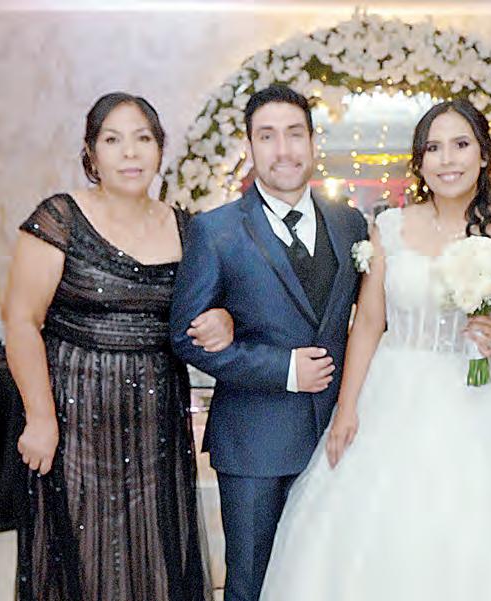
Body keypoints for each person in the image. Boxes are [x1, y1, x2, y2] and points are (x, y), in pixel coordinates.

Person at [258, 98, 491, 600]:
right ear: (419, 162)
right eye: (433, 148)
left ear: (483, 154)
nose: (447, 159)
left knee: (484, 530)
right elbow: (369, 322)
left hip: (487, 398)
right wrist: (347, 408)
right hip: (394, 394)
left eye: (460, 145)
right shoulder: (390, 228)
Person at [3, 92, 234, 601]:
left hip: (157, 427)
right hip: (72, 423)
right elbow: (21, 321)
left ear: (159, 149)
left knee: (154, 556)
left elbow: (210, 309)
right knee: (84, 560)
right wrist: (40, 418)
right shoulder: (60, 218)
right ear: (91, 152)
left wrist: (224, 319)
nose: (130, 152)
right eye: (113, 140)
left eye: (142, 138)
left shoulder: (187, 228)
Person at [169, 85, 368, 601]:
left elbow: (372, 319)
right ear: (250, 147)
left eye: (295, 134)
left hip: (337, 440)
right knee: (251, 585)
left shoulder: (349, 224)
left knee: (328, 582)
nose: (284, 150)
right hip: (254, 444)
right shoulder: (214, 231)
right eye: (267, 136)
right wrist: (283, 369)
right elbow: (185, 336)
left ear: (313, 142)